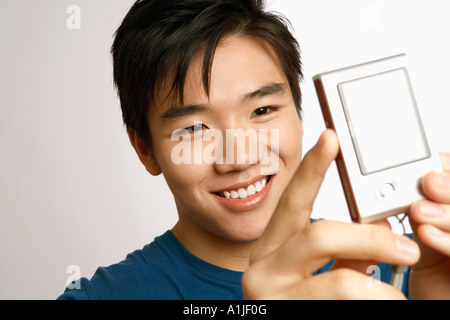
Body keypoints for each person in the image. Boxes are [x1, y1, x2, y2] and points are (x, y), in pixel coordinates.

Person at [58, 0, 450, 300]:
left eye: (262, 110)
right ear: (145, 149)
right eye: (195, 128)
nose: (239, 157)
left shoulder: (414, 263)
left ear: (299, 115)